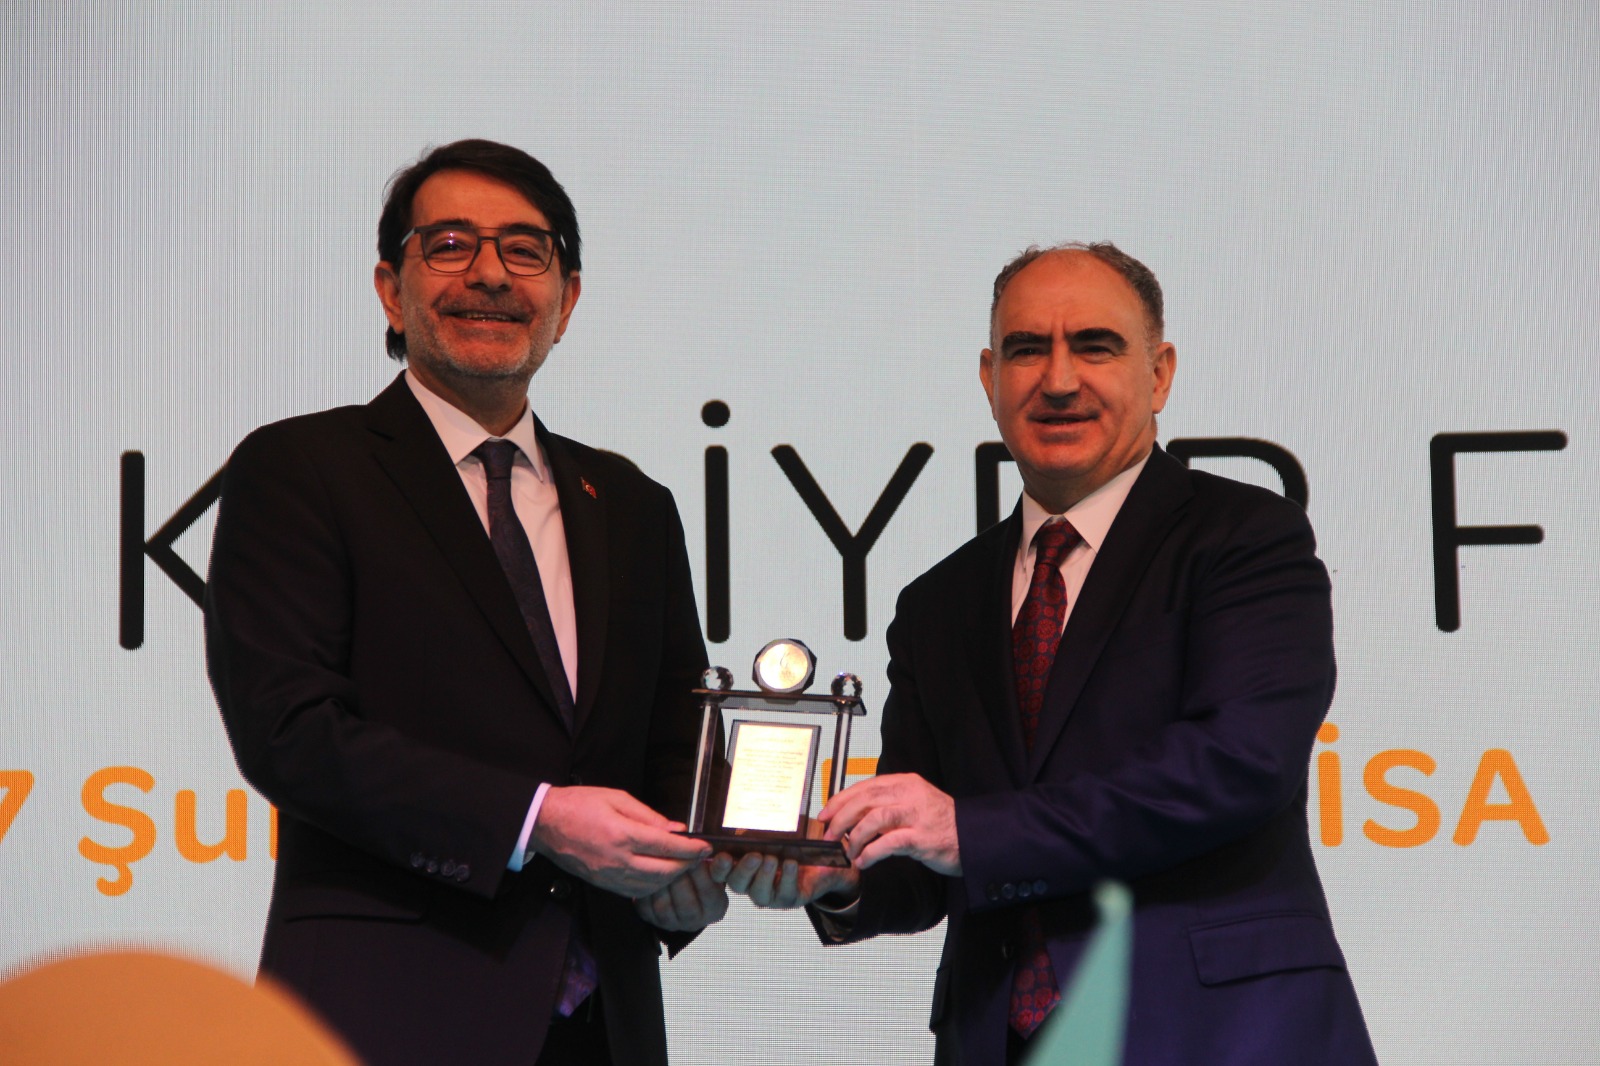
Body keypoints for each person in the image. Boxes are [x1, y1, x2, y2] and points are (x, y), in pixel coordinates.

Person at [724, 243, 1378, 1065]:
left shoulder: (1245, 537)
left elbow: (1240, 765)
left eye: (1095, 346)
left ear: (1160, 374)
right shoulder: (939, 602)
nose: (1059, 380)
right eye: (1028, 349)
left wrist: (969, 830)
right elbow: (929, 857)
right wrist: (842, 878)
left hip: (1224, 1033)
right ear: (990, 378)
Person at [204, 139, 725, 1066]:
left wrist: (693, 866)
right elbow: (292, 732)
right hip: (384, 1014)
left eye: (526, 250)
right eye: (449, 244)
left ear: (566, 299)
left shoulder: (633, 504)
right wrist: (534, 818)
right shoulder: (302, 469)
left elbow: (674, 743)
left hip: (604, 1028)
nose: (490, 274)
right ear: (389, 288)